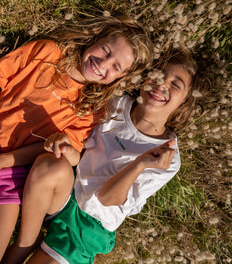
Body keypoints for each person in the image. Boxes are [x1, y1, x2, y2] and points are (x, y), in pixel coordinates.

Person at [2, 46, 200, 264]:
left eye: (175, 85)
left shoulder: (167, 156)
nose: (162, 85)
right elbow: (81, 157)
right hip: (67, 194)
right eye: (159, 76)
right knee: (50, 165)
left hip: (90, 226)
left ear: (185, 101)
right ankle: (26, 242)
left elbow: (108, 199)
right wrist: (68, 150)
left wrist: (140, 164)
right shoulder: (115, 105)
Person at [0, 15, 153, 260]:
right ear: (96, 37)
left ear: (120, 78)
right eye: (105, 50)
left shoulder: (92, 109)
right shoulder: (46, 53)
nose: (103, 64)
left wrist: (6, 161)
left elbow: (53, 151)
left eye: (116, 67)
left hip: (11, 176)